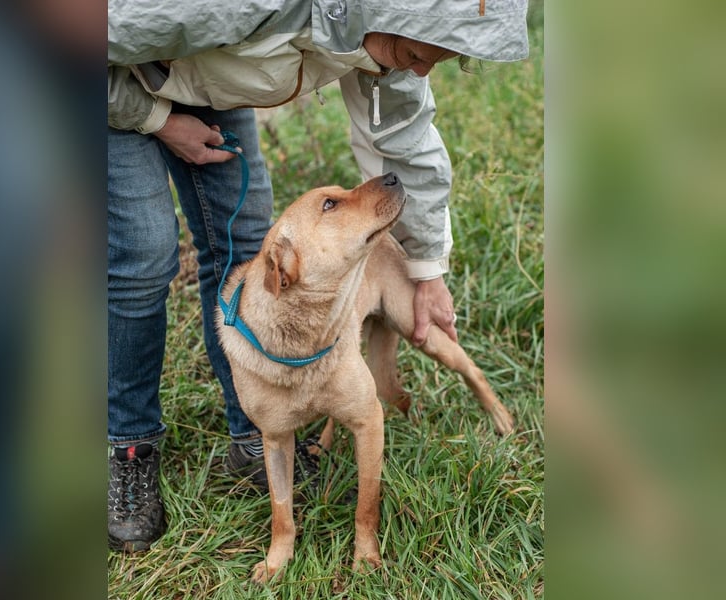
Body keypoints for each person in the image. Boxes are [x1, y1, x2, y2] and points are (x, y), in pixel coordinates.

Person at [107, 0, 529, 552]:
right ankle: (132, 447)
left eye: (447, 59)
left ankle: (257, 432)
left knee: (244, 240)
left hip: (212, 78)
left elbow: (404, 138)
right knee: (145, 252)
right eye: (424, 49)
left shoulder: (393, 44)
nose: (425, 68)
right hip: (109, 74)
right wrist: (158, 120)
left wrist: (426, 270)